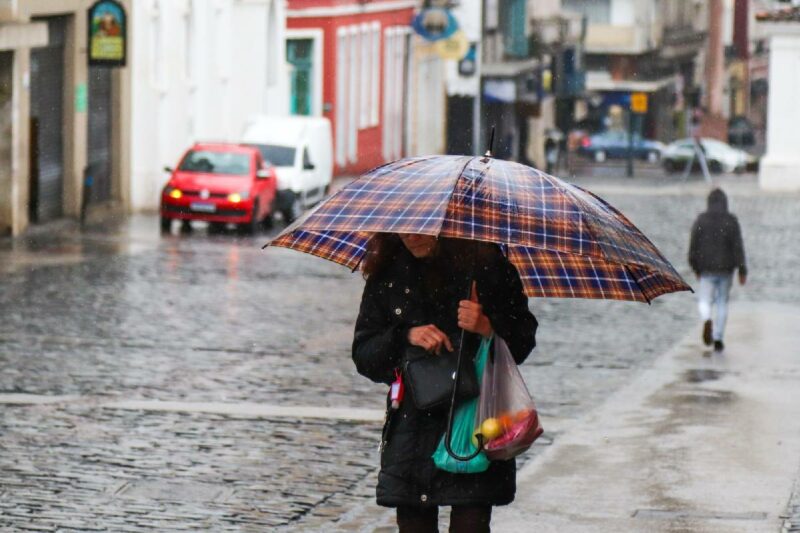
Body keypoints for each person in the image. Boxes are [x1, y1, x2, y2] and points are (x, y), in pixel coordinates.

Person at [352, 233, 537, 533]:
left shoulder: (489, 266)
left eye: (421, 226)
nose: (411, 235)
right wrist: (405, 336)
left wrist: (486, 327)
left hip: (473, 422)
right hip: (411, 429)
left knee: (471, 525)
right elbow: (364, 354)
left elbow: (523, 340)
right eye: (403, 226)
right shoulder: (387, 272)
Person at [688, 188, 747, 351]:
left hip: (706, 269)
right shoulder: (731, 220)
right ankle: (719, 337)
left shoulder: (700, 220)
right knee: (722, 302)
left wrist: (695, 268)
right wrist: (742, 270)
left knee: (704, 300)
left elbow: (693, 247)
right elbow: (738, 247)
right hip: (726, 270)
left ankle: (707, 318)